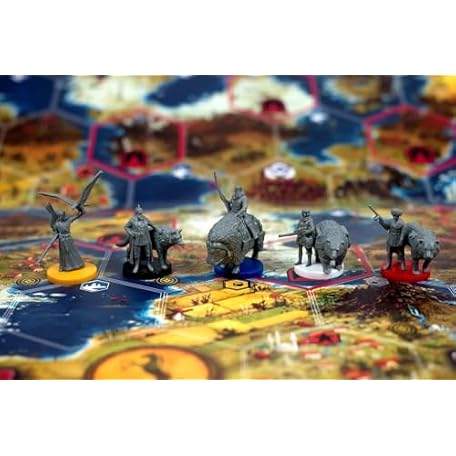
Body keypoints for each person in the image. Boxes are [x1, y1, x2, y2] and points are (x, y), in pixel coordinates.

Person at [123, 204, 156, 274]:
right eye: (138, 213)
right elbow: (126, 227)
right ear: (136, 213)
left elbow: (152, 225)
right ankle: (136, 265)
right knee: (136, 254)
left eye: (141, 213)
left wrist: (152, 229)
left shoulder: (145, 219)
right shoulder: (132, 220)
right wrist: (131, 233)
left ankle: (148, 264)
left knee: (148, 252)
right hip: (137, 239)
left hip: (146, 238)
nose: (140, 215)